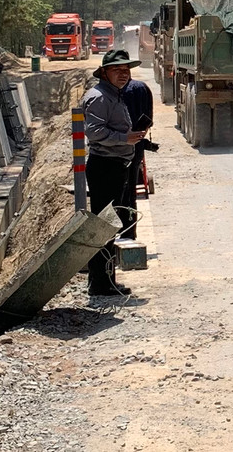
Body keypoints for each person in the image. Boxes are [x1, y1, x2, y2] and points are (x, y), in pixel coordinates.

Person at [81, 48, 144, 296]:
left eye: (126, 70)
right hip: (105, 166)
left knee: (109, 225)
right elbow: (94, 132)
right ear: (105, 72)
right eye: (117, 70)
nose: (123, 74)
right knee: (103, 226)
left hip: (115, 165)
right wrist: (124, 139)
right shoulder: (99, 97)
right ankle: (100, 283)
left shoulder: (113, 95)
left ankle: (106, 280)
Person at [119, 76, 153, 240]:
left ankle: (117, 236)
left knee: (116, 194)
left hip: (115, 147)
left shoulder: (113, 91)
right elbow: (148, 120)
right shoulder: (142, 88)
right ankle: (129, 234)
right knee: (130, 191)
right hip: (136, 145)